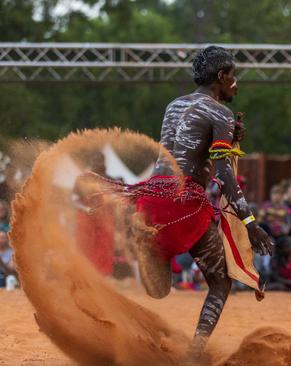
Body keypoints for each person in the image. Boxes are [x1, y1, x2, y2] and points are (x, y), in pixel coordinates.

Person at [96, 46, 274, 359]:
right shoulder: (221, 113)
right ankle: (194, 354)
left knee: (160, 290)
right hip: (184, 203)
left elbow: (187, 149)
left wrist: (231, 140)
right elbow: (222, 176)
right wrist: (251, 224)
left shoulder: (174, 105)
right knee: (219, 284)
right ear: (221, 76)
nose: (236, 84)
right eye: (234, 77)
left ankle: (147, 246)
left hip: (151, 200)